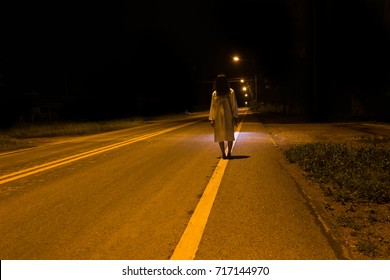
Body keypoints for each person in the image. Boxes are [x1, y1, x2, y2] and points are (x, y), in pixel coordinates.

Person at [209, 73, 239, 159]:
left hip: (224, 116)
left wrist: (212, 119)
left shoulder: (230, 92)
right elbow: (213, 106)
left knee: (225, 135)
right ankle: (226, 152)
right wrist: (235, 116)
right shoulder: (215, 93)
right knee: (223, 135)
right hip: (223, 116)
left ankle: (226, 152)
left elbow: (233, 104)